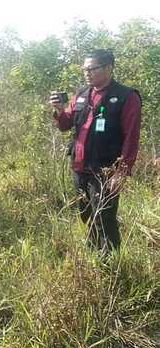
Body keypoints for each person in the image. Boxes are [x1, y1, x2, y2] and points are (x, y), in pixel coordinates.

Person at [50, 49, 141, 254]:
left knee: (105, 220)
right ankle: (93, 257)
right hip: (80, 168)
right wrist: (59, 110)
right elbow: (65, 124)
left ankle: (111, 267)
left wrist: (121, 172)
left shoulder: (127, 97)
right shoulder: (82, 94)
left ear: (108, 68)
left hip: (105, 171)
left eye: (92, 68)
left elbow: (131, 137)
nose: (87, 73)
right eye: (85, 69)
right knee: (86, 215)